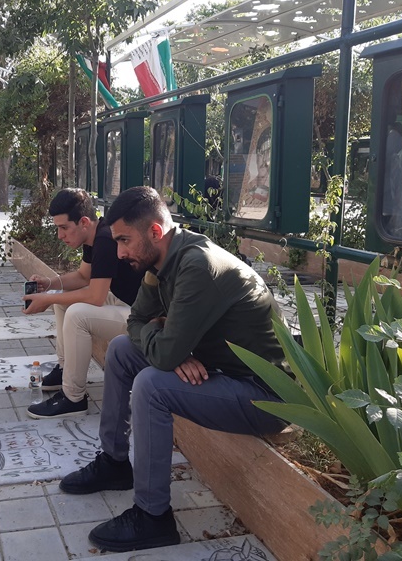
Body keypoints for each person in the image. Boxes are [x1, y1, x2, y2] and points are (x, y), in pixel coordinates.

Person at [59, 186, 288, 553]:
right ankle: (114, 463)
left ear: (154, 232)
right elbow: (135, 321)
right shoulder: (161, 260)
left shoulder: (197, 265)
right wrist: (167, 345)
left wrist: (168, 347)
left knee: (153, 385)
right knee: (121, 349)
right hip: (222, 369)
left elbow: (162, 353)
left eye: (124, 241)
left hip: (263, 394)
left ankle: (153, 517)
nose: (119, 253)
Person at [22, 188, 142, 419]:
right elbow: (83, 277)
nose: (60, 235)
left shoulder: (105, 240)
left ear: (84, 222)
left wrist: (47, 299)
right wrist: (50, 284)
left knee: (77, 314)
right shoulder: (93, 237)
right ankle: (65, 369)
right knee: (65, 300)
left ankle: (73, 398)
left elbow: (95, 296)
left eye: (64, 228)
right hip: (125, 303)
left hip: (142, 317)